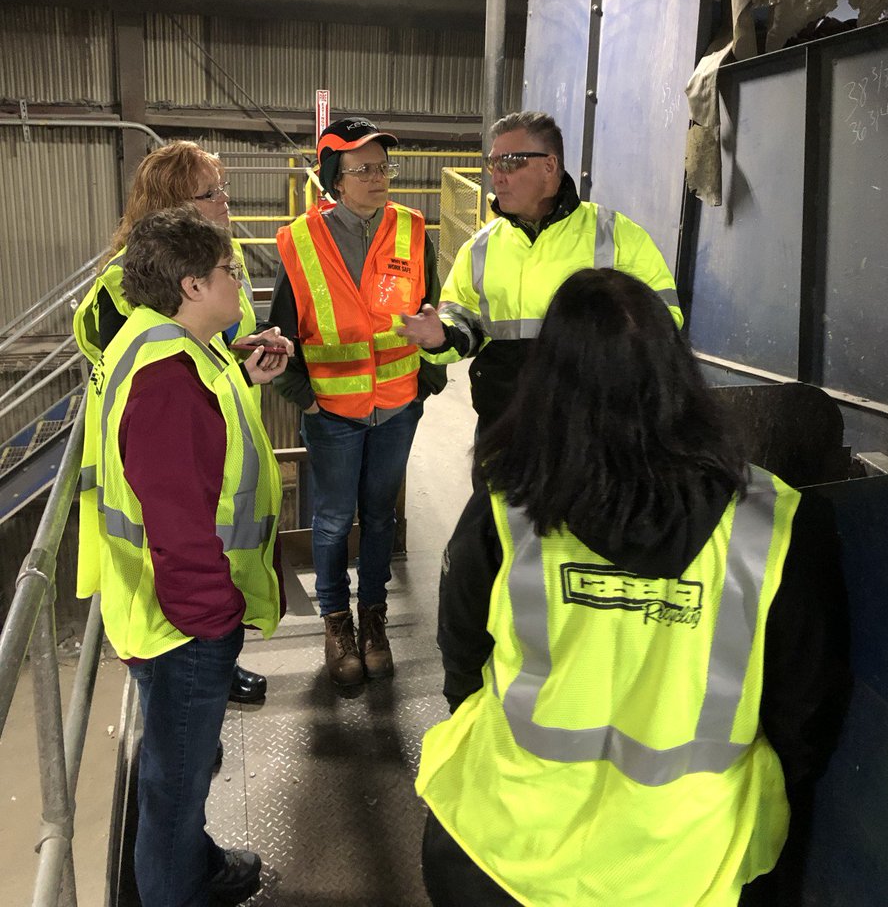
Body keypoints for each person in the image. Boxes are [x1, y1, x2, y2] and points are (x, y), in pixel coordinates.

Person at [415, 268, 851, 907]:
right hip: (690, 865)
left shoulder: (507, 508)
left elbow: (461, 658)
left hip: (503, 849)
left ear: (546, 385)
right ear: (678, 376)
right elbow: (804, 711)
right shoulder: (777, 524)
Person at [76, 207, 288, 907]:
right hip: (183, 621)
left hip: (155, 605)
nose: (240, 282)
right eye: (230, 270)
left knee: (178, 770)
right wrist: (214, 620)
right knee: (177, 781)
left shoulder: (157, 340)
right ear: (193, 286)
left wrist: (241, 374)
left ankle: (194, 864)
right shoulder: (168, 377)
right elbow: (178, 515)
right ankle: (178, 888)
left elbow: (191, 438)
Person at [73, 139, 290, 706]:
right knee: (177, 641)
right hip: (158, 512)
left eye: (223, 189)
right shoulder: (133, 282)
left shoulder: (200, 264)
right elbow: (164, 390)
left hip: (197, 468)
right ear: (172, 204)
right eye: (210, 192)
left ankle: (211, 666)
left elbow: (195, 357)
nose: (225, 201)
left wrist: (239, 362)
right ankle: (198, 673)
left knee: (201, 591)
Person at [268, 116, 446, 687]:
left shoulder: (413, 230)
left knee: (379, 516)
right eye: (363, 169)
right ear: (335, 180)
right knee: (330, 520)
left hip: (396, 407)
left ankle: (373, 620)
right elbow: (280, 335)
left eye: (383, 167)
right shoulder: (299, 241)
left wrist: (427, 380)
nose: (377, 178)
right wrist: (305, 398)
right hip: (332, 412)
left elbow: (434, 311)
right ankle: (336, 622)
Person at [399, 111, 683, 424]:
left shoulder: (617, 236)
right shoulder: (480, 248)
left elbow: (663, 320)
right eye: (493, 164)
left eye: (510, 163)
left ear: (549, 166)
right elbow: (463, 319)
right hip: (505, 423)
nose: (497, 177)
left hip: (594, 425)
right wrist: (442, 334)